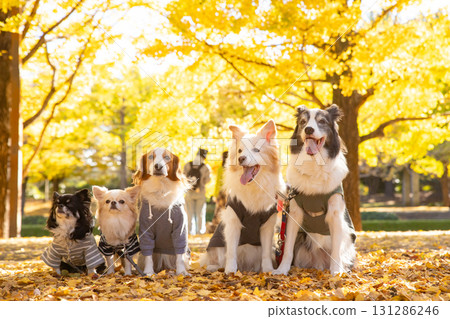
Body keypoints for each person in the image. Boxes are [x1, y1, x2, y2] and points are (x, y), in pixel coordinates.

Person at [184, 148, 211, 235]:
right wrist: (201, 183)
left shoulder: (187, 165)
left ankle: (189, 232)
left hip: (189, 193)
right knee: (200, 214)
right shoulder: (206, 167)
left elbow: (183, 177)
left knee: (189, 214)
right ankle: (200, 232)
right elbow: (208, 180)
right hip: (200, 193)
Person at [207, 151, 228, 233]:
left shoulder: (220, 168)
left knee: (219, 211)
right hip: (229, 192)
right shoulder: (231, 168)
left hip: (221, 193)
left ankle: (218, 227)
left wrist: (215, 194)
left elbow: (218, 183)